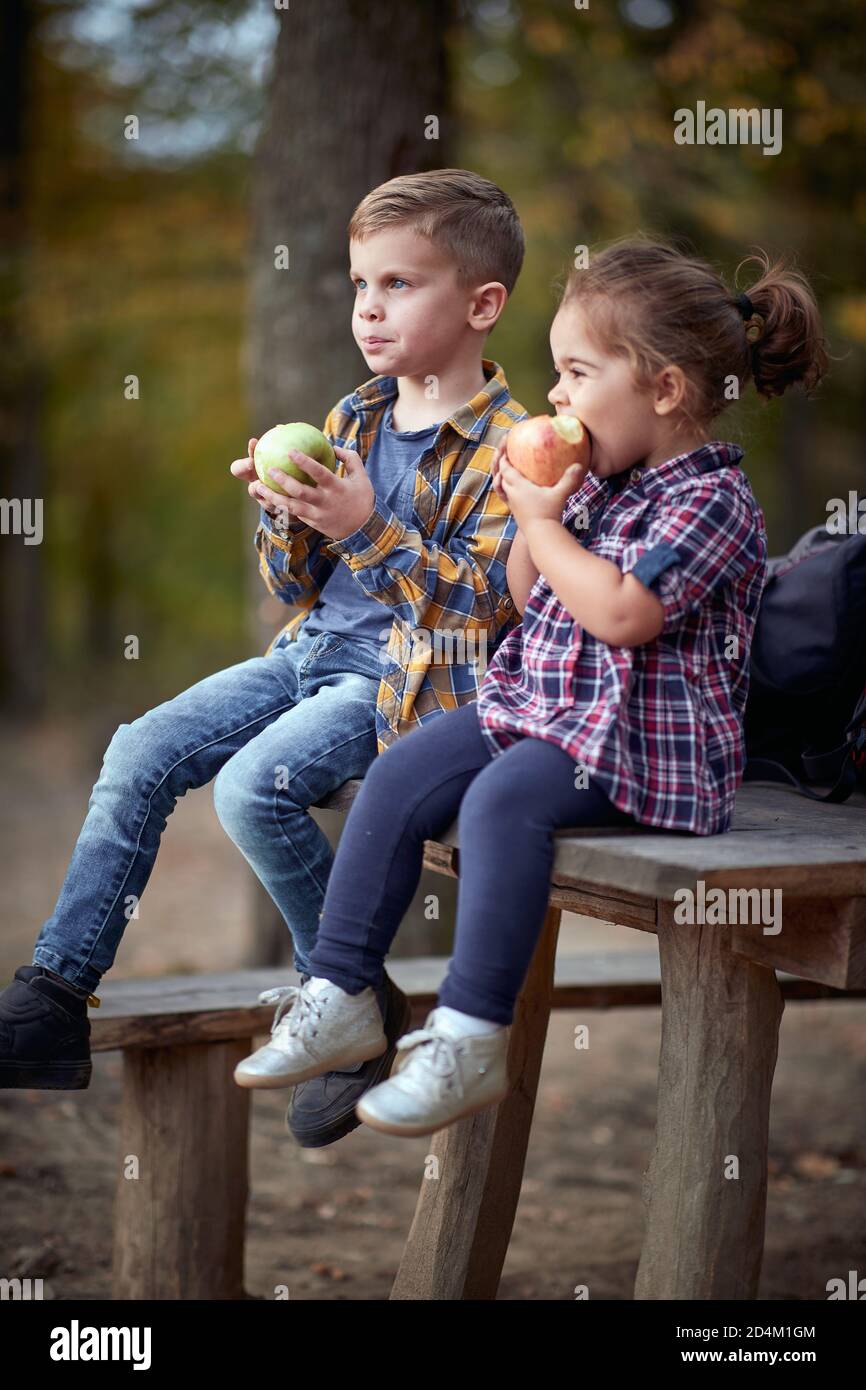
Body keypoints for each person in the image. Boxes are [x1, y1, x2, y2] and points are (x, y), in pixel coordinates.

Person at [233, 234, 829, 1138]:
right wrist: (530, 516)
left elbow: (624, 613)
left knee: (501, 803)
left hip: (645, 751)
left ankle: (471, 1035)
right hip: (543, 717)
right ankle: (344, 988)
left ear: (664, 390)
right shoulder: (597, 483)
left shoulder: (709, 502)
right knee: (400, 773)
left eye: (578, 373)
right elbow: (527, 595)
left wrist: (549, 526)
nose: (554, 397)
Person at [0, 168, 529, 1152]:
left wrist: (366, 525)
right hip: (309, 654)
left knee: (254, 788)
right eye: (359, 284)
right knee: (136, 750)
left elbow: (479, 607)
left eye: (399, 285)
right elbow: (294, 588)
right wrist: (283, 514)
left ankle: (346, 989)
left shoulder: (510, 445)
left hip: (405, 679)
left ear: (481, 303)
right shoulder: (353, 418)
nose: (369, 307)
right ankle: (54, 997)